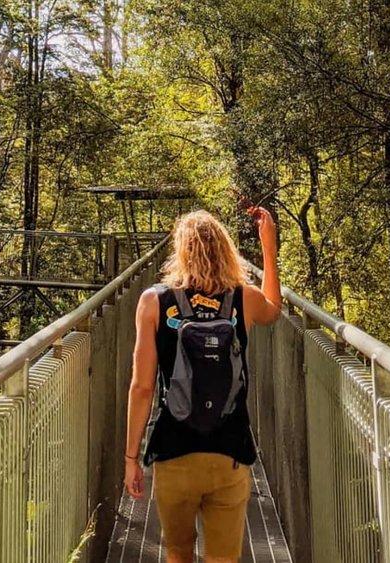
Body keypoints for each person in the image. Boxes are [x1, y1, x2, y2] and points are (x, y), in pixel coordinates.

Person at [123, 207, 281, 563]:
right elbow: (273, 309)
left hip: (173, 450)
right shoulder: (243, 298)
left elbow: (142, 387)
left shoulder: (154, 301)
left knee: (179, 552)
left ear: (181, 251)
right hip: (230, 452)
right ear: (226, 249)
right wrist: (268, 248)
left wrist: (132, 458)